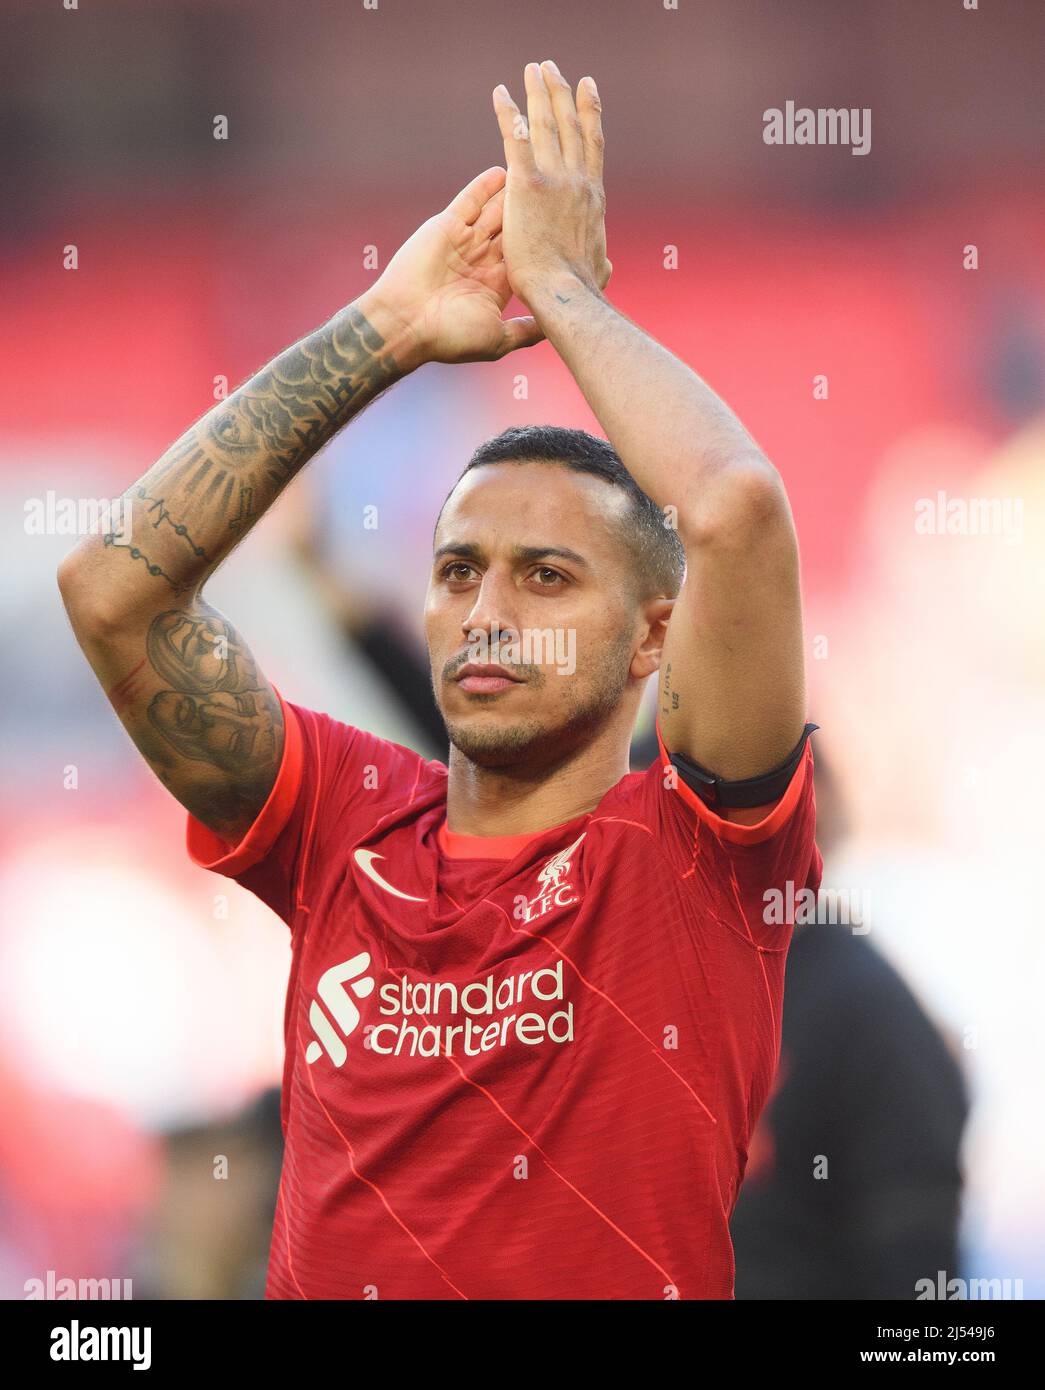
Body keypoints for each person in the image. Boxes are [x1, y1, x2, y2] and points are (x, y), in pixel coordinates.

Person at [59, 59, 820, 1300]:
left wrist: (562, 290)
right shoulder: (344, 821)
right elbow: (113, 593)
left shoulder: (695, 856)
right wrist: (390, 329)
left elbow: (733, 507)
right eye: (458, 568)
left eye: (548, 577)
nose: (487, 612)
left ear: (651, 639)